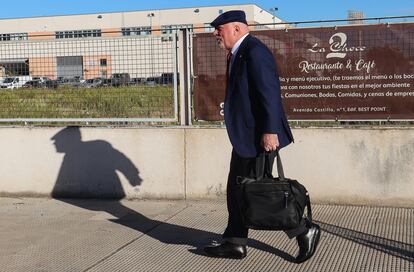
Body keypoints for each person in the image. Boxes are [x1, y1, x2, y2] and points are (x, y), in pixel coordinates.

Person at [203, 10, 321, 263]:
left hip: (258, 136)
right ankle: (235, 242)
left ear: (236, 28)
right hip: (247, 136)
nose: (215, 33)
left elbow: (269, 93)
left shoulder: (254, 52)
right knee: (239, 190)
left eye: (219, 29)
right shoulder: (242, 52)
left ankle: (303, 230)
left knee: (259, 192)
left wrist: (270, 131)